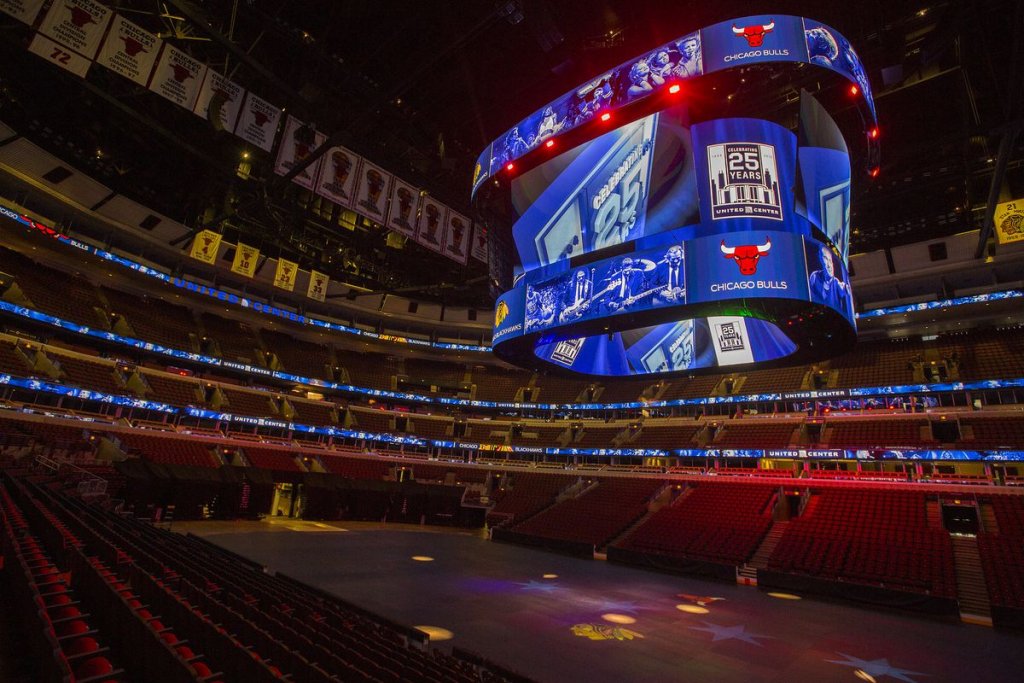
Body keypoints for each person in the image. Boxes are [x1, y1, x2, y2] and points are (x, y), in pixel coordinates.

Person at [808, 244, 850, 312]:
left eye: (830, 261)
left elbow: (845, 290)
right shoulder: (815, 277)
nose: (829, 265)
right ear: (820, 260)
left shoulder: (836, 283)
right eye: (825, 259)